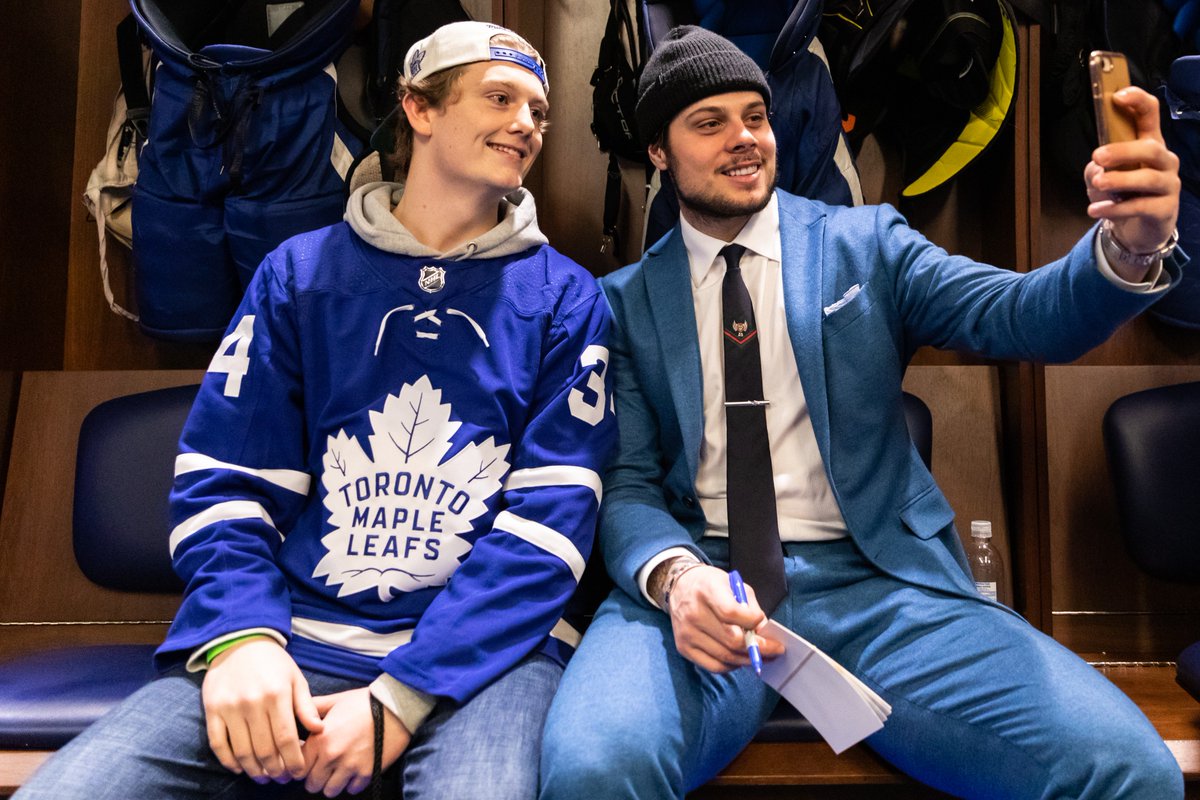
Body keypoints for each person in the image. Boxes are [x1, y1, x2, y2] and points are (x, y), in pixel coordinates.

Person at [539, 25, 1185, 800]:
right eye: (709, 123)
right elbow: (632, 485)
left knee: (1129, 771)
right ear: (660, 153)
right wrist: (675, 578)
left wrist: (1127, 248)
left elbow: (1021, 314)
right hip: (707, 584)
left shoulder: (865, 245)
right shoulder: (623, 305)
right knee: (591, 770)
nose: (744, 138)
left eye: (755, 115)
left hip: (879, 588)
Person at [18, 20, 614, 800]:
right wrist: (241, 639)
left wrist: (404, 696)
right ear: (419, 109)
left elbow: (551, 525)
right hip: (294, 634)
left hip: (489, 659)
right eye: (499, 98)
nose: (526, 124)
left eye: (538, 110)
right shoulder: (300, 273)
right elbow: (224, 481)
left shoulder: (566, 298)